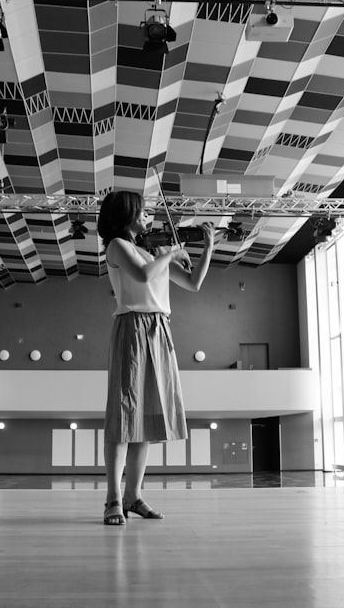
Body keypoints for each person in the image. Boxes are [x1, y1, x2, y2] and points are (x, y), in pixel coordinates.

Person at [96, 190, 216, 526]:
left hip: (159, 329)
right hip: (132, 327)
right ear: (127, 214)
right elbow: (144, 276)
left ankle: (134, 497)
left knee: (146, 419)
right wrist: (172, 252)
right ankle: (113, 500)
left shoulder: (152, 251)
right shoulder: (118, 246)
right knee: (123, 420)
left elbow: (193, 283)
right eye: (143, 211)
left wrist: (206, 250)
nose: (148, 215)